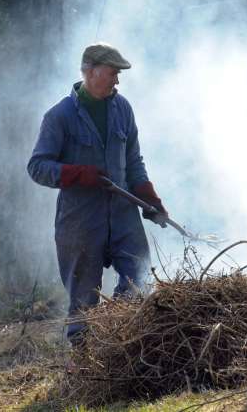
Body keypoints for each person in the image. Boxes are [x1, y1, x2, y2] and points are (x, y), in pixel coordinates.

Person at [27, 43, 169, 342]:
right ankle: (84, 369)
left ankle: (116, 339)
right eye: (113, 73)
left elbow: (133, 162)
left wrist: (149, 198)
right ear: (91, 71)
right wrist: (78, 174)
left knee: (139, 278)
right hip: (80, 223)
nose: (117, 80)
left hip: (122, 214)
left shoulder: (123, 109)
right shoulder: (59, 116)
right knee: (83, 303)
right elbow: (37, 167)